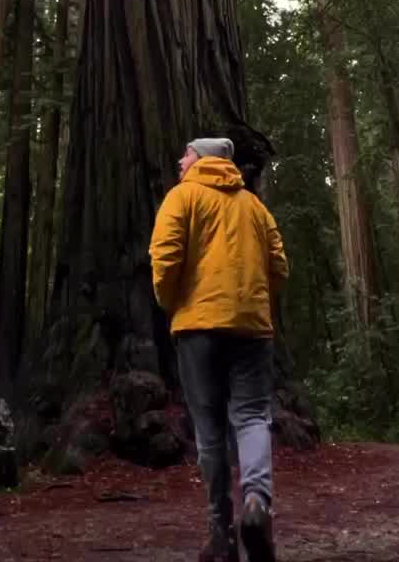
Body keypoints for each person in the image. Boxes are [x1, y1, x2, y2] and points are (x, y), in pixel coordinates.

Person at [149, 135, 289, 562]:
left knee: (208, 430)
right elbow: (278, 266)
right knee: (250, 417)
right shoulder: (254, 207)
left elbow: (164, 258)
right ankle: (257, 503)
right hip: (252, 329)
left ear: (203, 160)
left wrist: (174, 302)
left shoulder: (182, 197)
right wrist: (254, 302)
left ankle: (220, 531)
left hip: (198, 329)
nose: (180, 158)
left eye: (186, 153)